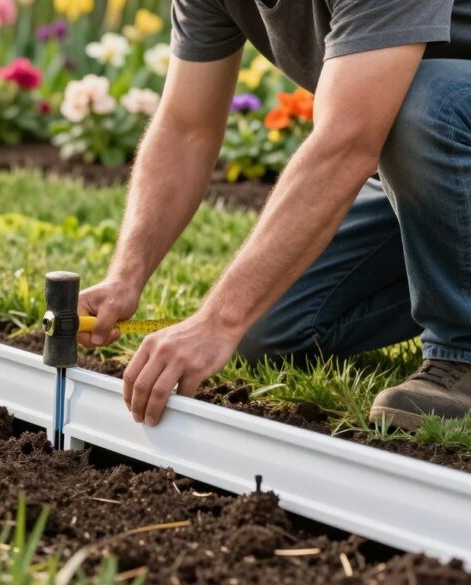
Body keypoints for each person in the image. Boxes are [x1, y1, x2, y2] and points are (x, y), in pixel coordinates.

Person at [78, 0, 471, 430]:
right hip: (450, 170)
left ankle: (461, 354)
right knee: (267, 326)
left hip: (447, 121)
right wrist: (126, 276)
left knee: (426, 100)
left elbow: (348, 141)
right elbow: (185, 129)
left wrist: (218, 320)